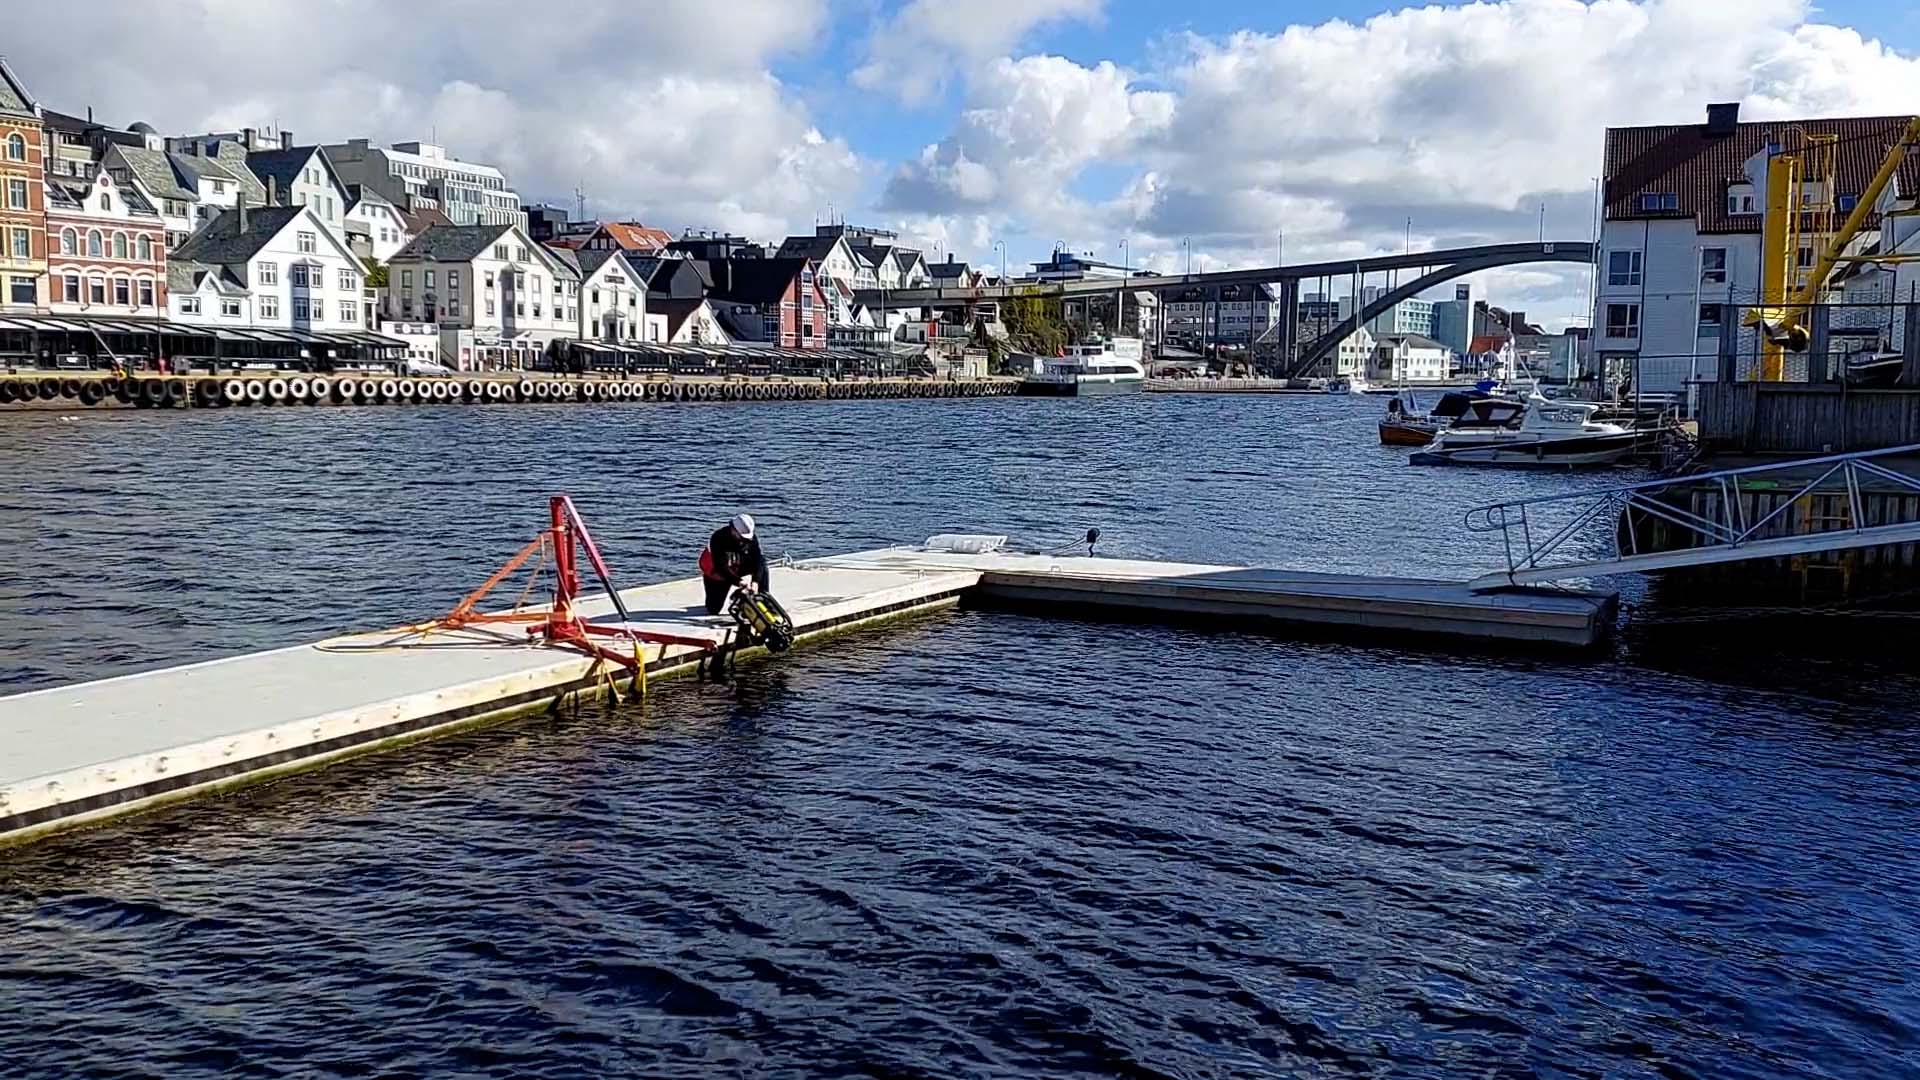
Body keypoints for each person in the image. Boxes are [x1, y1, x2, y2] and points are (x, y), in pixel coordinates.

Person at [700, 513, 769, 616]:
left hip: (737, 565)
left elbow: (757, 559)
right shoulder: (718, 538)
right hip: (717, 573)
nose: (744, 540)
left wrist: (756, 581)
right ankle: (736, 597)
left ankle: (764, 600)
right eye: (741, 537)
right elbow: (721, 567)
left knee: (762, 564)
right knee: (713, 609)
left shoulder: (750, 538)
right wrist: (739, 582)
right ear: (733, 529)